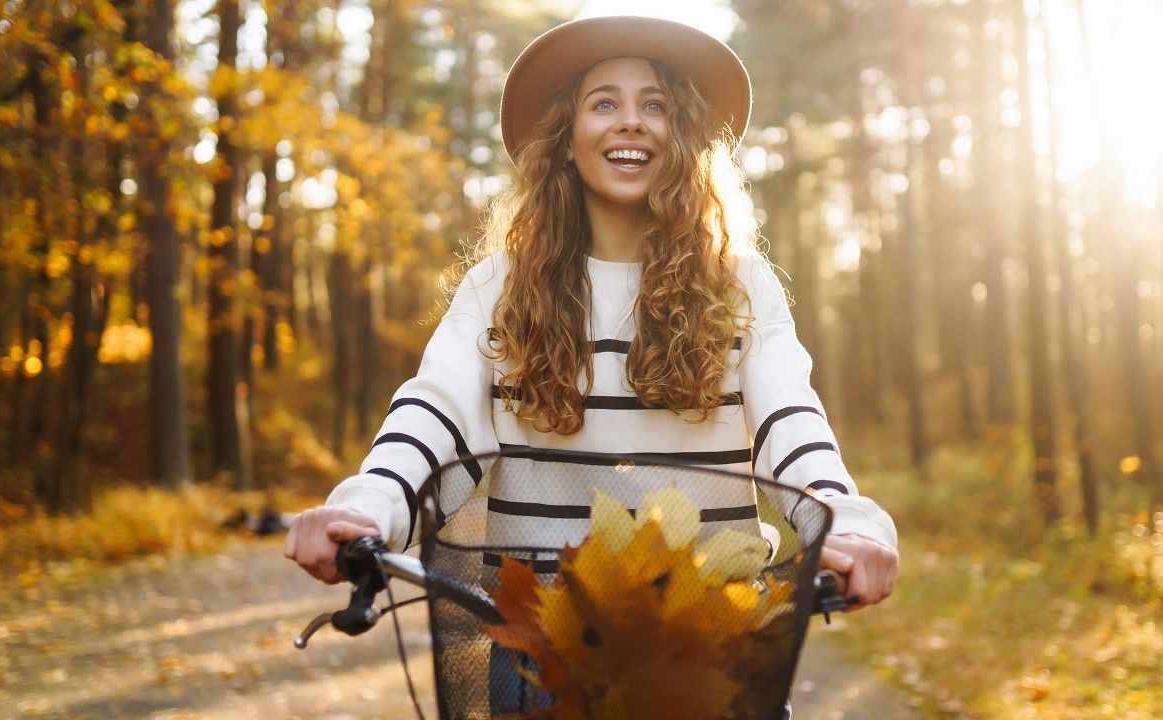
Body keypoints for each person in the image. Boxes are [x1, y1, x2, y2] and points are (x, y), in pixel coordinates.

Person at [286, 9, 896, 648]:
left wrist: (847, 523)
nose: (630, 119)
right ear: (566, 138)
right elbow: (436, 413)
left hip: (708, 635)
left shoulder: (739, 283)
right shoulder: (499, 286)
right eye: (604, 102)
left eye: (655, 105)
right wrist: (368, 506)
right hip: (540, 640)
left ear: (682, 135)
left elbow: (791, 422)